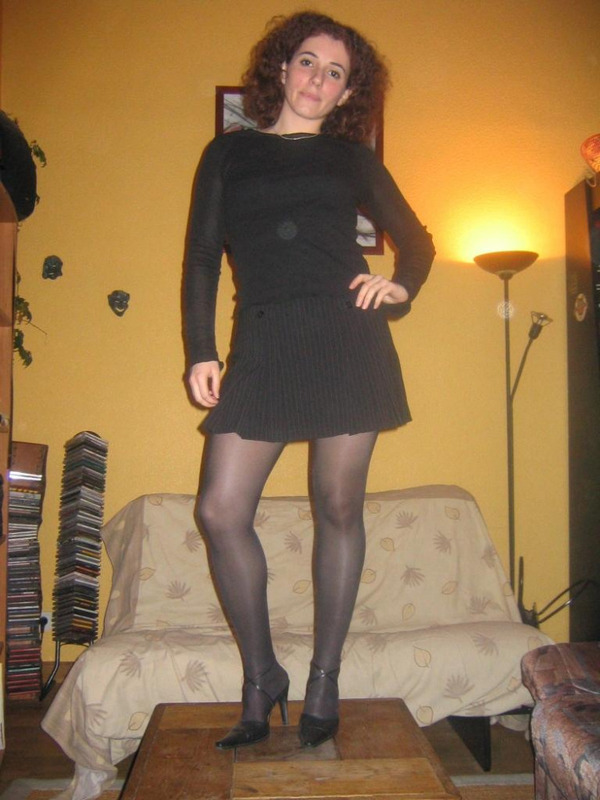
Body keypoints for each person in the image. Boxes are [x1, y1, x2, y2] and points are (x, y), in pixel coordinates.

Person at [183, 10, 435, 750]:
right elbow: (201, 257)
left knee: (338, 506)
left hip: (346, 341)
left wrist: (400, 286)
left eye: (335, 72)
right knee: (220, 510)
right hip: (262, 339)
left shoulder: (351, 158)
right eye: (307, 62)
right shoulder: (228, 154)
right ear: (281, 67)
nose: (318, 79)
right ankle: (263, 675)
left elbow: (416, 241)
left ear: (348, 91)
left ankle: (325, 677)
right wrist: (201, 349)